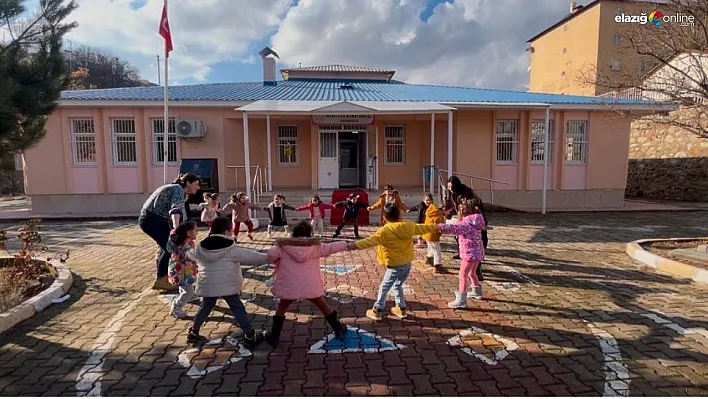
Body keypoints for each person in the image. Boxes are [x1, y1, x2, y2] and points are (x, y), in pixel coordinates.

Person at [264, 220, 350, 347]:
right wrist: (347, 244)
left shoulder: (283, 247)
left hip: (290, 286)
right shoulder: (315, 247)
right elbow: (332, 247)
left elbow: (271, 255)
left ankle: (274, 336)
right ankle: (338, 329)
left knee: (282, 307)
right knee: (322, 304)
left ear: (293, 234)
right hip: (310, 285)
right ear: (310, 234)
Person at [187, 216, 268, 349]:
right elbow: (250, 256)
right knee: (237, 308)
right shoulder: (231, 247)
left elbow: (192, 254)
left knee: (205, 307)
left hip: (207, 284)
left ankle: (194, 331)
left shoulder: (202, 246)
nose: (232, 233)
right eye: (231, 230)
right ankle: (250, 335)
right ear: (226, 232)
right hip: (228, 285)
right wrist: (268, 257)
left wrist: (187, 254)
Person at [350, 203, 436, 321]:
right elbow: (423, 227)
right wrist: (437, 226)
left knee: (384, 287)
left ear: (384, 217)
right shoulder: (409, 226)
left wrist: (353, 245)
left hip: (394, 266)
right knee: (397, 285)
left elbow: (369, 241)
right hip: (407, 265)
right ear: (399, 214)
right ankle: (401, 308)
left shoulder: (384, 231)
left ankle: (377, 310)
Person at [139, 173, 200, 292]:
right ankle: (161, 279)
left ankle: (162, 276)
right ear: (187, 183)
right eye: (196, 184)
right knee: (170, 246)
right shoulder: (178, 190)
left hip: (153, 219)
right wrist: (177, 229)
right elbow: (175, 210)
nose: (198, 187)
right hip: (152, 220)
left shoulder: (176, 189)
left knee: (165, 247)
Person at [437, 198, 486, 308]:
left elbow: (455, 228)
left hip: (469, 253)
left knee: (462, 274)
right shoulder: (476, 220)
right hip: (477, 253)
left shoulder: (466, 223)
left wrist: (440, 227)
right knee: (471, 273)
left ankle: (461, 300)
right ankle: (476, 291)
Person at [444, 175, 489, 280]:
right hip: (463, 221)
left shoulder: (468, 195)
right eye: (448, 187)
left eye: (450, 187)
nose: (449, 189)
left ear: (456, 186)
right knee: (459, 238)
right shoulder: (453, 195)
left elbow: (476, 208)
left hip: (474, 222)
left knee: (476, 245)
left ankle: (478, 270)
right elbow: (452, 208)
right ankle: (461, 253)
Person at [166, 221, 199, 319]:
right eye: (195, 230)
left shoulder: (179, 241)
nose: (197, 232)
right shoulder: (187, 244)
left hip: (179, 269)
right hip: (183, 271)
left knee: (184, 288)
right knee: (189, 292)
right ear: (188, 233)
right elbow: (192, 255)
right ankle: (176, 307)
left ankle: (179, 301)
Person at [420, 194, 446, 274]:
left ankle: (428, 258)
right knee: (437, 250)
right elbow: (440, 227)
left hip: (427, 233)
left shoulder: (430, 210)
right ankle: (437, 265)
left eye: (429, 200)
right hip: (433, 234)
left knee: (431, 247)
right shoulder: (439, 215)